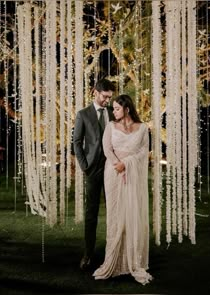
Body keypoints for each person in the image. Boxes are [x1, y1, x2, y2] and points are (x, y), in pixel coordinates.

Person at [93, 94, 153, 285]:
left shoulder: (143, 128)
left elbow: (144, 152)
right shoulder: (111, 126)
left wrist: (127, 163)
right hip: (114, 174)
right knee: (116, 215)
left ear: (127, 109)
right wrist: (118, 164)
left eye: (117, 108)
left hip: (133, 176)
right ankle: (114, 259)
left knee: (133, 215)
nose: (114, 111)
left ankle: (133, 260)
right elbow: (106, 148)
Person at [73, 79, 115, 270]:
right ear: (95, 92)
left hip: (112, 170)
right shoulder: (83, 114)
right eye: (105, 96)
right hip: (93, 171)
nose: (107, 100)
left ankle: (114, 253)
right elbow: (76, 142)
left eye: (110, 97)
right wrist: (84, 166)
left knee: (114, 212)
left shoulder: (114, 112)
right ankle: (88, 254)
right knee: (91, 214)